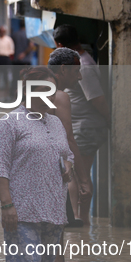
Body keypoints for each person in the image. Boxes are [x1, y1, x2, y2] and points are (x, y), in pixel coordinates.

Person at [0, 66, 73, 262]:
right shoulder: (9, 123)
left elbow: (67, 155)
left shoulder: (55, 122)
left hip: (53, 211)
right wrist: (7, 206)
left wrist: (68, 165)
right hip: (22, 213)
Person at [54, 24, 110, 226]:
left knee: (78, 176)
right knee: (77, 175)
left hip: (84, 129)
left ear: (59, 45)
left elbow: (97, 99)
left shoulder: (83, 66)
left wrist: (110, 119)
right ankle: (79, 221)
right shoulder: (80, 63)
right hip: (80, 128)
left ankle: (79, 220)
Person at [45, 47, 92, 262]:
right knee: (55, 240)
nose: (80, 77)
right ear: (63, 69)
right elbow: (69, 140)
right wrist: (84, 179)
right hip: (50, 175)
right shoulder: (59, 95)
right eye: (77, 71)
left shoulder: (31, 88)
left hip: (25, 174)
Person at [0, 25, 14, 93]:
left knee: (6, 77)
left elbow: (11, 50)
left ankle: (7, 94)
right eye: (0, 31)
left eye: (3, 31)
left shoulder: (8, 40)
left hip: (5, 58)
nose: (1, 33)